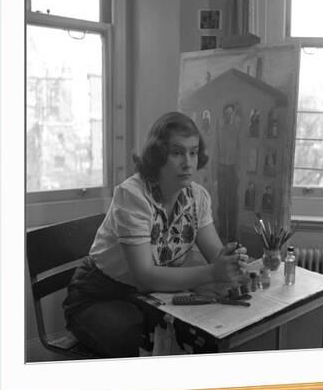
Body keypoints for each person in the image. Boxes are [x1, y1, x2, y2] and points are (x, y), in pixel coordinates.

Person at [63, 112, 249, 358]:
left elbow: (216, 255)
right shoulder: (132, 196)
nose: (188, 163)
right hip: (99, 295)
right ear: (158, 155)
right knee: (145, 345)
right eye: (177, 153)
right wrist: (213, 273)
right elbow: (146, 276)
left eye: (193, 152)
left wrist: (231, 261)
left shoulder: (198, 197)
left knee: (198, 338)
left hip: (152, 297)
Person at [216, 103, 241, 242]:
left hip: (232, 169)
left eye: (230, 114)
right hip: (221, 168)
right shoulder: (220, 131)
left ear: (233, 115)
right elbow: (216, 151)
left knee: (232, 204)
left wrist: (238, 172)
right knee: (222, 204)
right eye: (226, 114)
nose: (228, 116)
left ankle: (232, 236)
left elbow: (240, 151)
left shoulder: (236, 131)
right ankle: (222, 234)